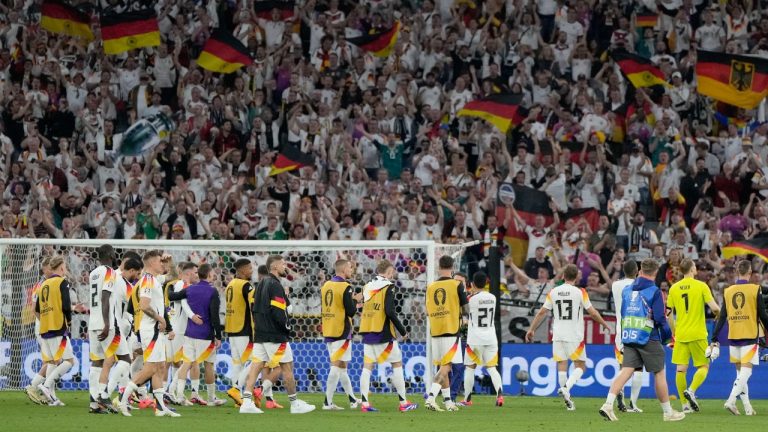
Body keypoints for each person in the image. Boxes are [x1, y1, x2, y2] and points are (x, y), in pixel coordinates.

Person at [599, 259, 685, 422]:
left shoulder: (627, 289)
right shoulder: (654, 291)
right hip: (648, 337)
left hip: (630, 335)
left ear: (640, 270)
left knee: (626, 370)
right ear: (655, 272)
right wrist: (668, 337)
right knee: (659, 373)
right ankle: (668, 412)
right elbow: (660, 318)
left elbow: (623, 313)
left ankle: (608, 405)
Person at [239, 255, 315, 414]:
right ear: (274, 267)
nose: (285, 266)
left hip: (260, 333)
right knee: (287, 367)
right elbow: (278, 311)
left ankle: (246, 402)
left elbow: (256, 309)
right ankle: (295, 404)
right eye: (282, 264)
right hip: (275, 335)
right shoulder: (275, 285)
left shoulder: (260, 284)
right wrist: (287, 327)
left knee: (255, 367)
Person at [526, 264, 609, 411]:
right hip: (574, 335)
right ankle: (566, 388)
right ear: (576, 277)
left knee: (562, 365)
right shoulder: (580, 292)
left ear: (563, 276)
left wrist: (531, 329)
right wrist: (604, 324)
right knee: (581, 366)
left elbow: (541, 312)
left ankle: (567, 400)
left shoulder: (553, 292)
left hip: (557, 334)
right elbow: (593, 312)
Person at [118, 250, 179, 417]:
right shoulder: (146, 280)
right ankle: (123, 401)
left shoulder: (154, 279)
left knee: (159, 367)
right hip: (150, 330)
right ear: (152, 263)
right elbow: (144, 305)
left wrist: (169, 264)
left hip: (155, 329)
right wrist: (161, 319)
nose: (162, 264)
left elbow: (173, 276)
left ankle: (160, 408)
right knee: (151, 368)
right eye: (160, 261)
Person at [358, 259, 418, 412]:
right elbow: (390, 311)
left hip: (367, 330)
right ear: (389, 272)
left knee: (367, 367)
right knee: (396, 363)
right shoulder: (388, 286)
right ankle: (403, 403)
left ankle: (364, 404)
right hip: (382, 332)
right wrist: (403, 331)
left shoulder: (367, 286)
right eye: (392, 273)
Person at [710, 259, 768, 416]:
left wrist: (714, 337)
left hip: (734, 336)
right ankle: (731, 400)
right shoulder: (755, 289)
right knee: (746, 373)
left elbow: (722, 317)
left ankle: (748, 408)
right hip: (749, 334)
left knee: (740, 374)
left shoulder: (728, 291)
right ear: (750, 273)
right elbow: (763, 314)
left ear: (737, 272)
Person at [667, 258, 720, 413]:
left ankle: (684, 405)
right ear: (691, 269)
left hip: (681, 334)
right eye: (695, 266)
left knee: (680, 370)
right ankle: (691, 390)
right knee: (704, 366)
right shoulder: (701, 286)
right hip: (698, 333)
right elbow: (715, 308)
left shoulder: (674, 288)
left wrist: (674, 331)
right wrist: (718, 316)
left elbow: (668, 314)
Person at [171, 264, 226, 406]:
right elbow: (214, 316)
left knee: (187, 363)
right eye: (212, 273)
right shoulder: (213, 292)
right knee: (208, 365)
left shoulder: (190, 289)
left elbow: (172, 296)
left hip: (190, 333)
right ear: (208, 275)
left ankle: (179, 395)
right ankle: (211, 398)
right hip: (206, 335)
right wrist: (218, 335)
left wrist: (170, 285)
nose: (214, 275)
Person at [88, 244, 131, 414]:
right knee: (125, 358)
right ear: (112, 255)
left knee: (97, 362)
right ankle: (103, 394)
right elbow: (105, 297)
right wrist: (107, 323)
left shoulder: (93, 273)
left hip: (93, 322)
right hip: (106, 323)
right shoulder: (110, 272)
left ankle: (93, 404)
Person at [425, 255, 468, 412]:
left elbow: (427, 310)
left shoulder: (430, 287)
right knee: (446, 367)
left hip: (436, 331)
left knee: (445, 366)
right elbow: (465, 306)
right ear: (452, 266)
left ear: (439, 267)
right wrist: (465, 320)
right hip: (451, 330)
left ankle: (448, 401)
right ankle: (431, 397)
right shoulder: (456, 284)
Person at [320, 259, 361, 410]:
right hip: (341, 330)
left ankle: (352, 399)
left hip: (329, 329)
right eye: (350, 267)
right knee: (336, 366)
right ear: (344, 269)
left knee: (343, 366)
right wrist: (356, 301)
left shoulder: (326, 285)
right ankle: (327, 402)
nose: (352, 270)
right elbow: (350, 311)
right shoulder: (346, 287)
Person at [458, 271, 504, 407]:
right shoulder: (493, 297)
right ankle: (500, 395)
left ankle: (467, 399)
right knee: (492, 368)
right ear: (486, 283)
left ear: (472, 284)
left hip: (475, 339)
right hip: (490, 338)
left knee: (470, 368)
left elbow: (464, 312)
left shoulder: (470, 299)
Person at [104, 255, 143, 406]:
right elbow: (137, 306)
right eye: (137, 273)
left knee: (120, 361)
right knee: (123, 361)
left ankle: (121, 396)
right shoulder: (128, 287)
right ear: (131, 270)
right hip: (119, 328)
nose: (137, 277)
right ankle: (106, 394)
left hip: (111, 324)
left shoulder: (113, 276)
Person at [611, 260, 644, 413]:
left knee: (622, 366)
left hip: (620, 330)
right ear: (637, 270)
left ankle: (620, 393)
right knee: (637, 368)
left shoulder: (615, 285)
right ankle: (633, 404)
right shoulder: (642, 286)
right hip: (636, 328)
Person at [166, 262, 201, 405]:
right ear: (188, 273)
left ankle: (174, 393)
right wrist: (192, 316)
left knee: (179, 362)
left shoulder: (180, 285)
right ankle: (166, 392)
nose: (197, 276)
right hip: (178, 330)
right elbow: (184, 304)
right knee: (171, 362)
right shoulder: (183, 285)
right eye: (196, 273)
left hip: (180, 328)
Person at [225, 259, 256, 407]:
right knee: (253, 361)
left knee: (237, 364)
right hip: (243, 329)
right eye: (250, 268)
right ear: (243, 271)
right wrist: (256, 328)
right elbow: (252, 307)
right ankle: (236, 389)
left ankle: (238, 400)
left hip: (231, 329)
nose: (252, 270)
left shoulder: (230, 284)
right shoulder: (246, 286)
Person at [25, 257, 53, 405]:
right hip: (43, 327)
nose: (53, 270)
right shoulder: (41, 285)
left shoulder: (49, 283)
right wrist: (45, 322)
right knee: (52, 361)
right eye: (51, 267)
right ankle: (33, 387)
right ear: (44, 269)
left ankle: (49, 394)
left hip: (47, 327)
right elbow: (35, 308)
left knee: (51, 360)